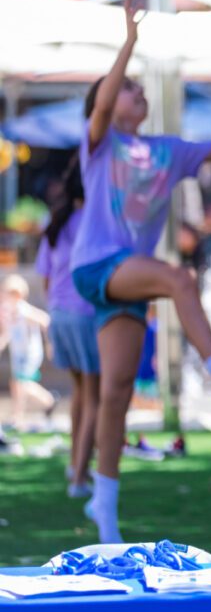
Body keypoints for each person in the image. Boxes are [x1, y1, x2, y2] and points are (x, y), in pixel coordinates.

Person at [70, 3, 211, 543]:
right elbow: (105, 100)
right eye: (127, 90)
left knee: (115, 392)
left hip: (127, 279)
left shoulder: (166, 151)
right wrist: (129, 42)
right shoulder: (99, 146)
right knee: (180, 278)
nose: (136, 94)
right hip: (96, 267)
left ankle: (104, 505)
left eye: (137, 88)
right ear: (108, 106)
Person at [35, 162, 100, 498]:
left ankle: (76, 465)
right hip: (86, 316)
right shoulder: (94, 223)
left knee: (80, 393)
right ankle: (79, 478)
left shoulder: (56, 224)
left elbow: (45, 276)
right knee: (94, 398)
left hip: (59, 314)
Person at [0, 274, 54, 431]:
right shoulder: (10, 312)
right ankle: (19, 415)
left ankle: (48, 401)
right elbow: (8, 333)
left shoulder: (24, 310)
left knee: (22, 383)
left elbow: (45, 320)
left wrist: (50, 343)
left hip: (29, 353)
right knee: (16, 383)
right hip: (18, 354)